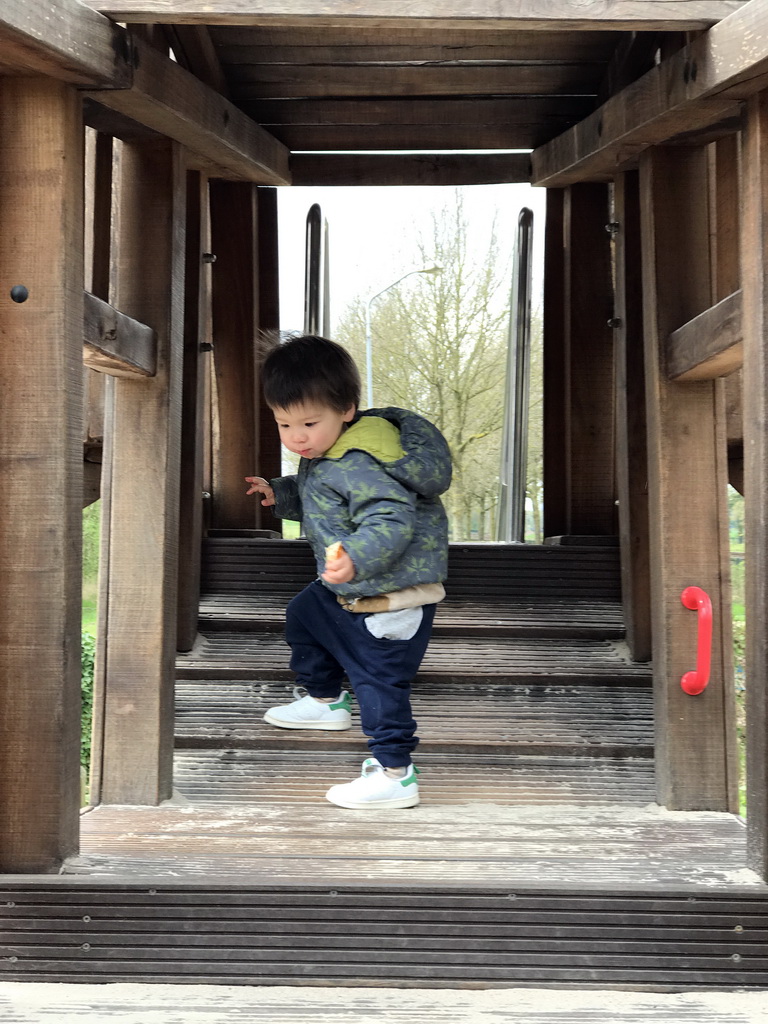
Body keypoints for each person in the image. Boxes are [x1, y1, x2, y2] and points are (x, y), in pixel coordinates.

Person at [246, 334, 451, 810]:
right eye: (283, 423)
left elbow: (389, 519)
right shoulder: (331, 453)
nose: (297, 436)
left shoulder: (362, 460)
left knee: (378, 683)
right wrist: (284, 493)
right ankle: (324, 702)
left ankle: (395, 773)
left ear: (348, 410)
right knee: (304, 614)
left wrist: (355, 555)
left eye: (309, 423)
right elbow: (325, 494)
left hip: (391, 596)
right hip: (351, 587)